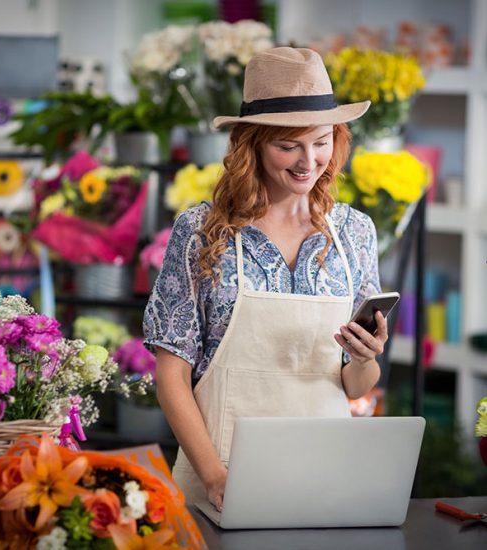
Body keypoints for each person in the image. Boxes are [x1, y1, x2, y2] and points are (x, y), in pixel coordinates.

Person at [143, 47, 388, 511]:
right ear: (250, 144)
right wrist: (215, 476)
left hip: (326, 475)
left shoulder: (355, 233)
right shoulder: (201, 232)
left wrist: (363, 358)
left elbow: (355, 386)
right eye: (288, 145)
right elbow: (170, 375)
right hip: (221, 473)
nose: (308, 161)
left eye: (320, 141)